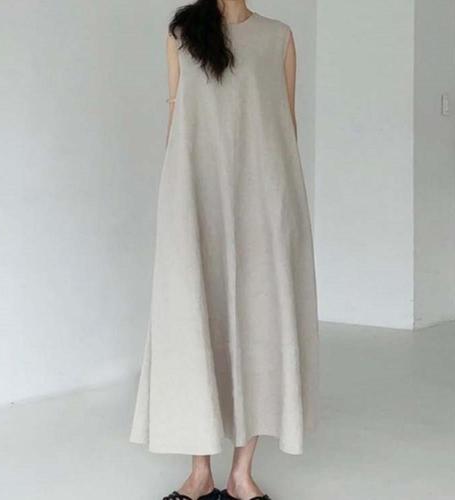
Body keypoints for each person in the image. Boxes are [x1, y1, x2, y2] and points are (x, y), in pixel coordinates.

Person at [130, 0, 319, 498]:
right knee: (196, 315)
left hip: (263, 198)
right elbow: (178, 121)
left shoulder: (279, 37)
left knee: (259, 319)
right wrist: (174, 197)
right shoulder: (182, 33)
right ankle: (199, 472)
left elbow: (285, 127)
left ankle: (241, 474)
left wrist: (286, 208)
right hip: (196, 194)